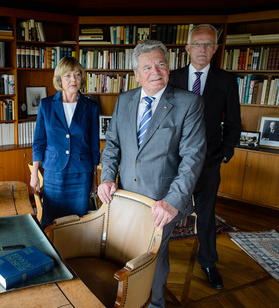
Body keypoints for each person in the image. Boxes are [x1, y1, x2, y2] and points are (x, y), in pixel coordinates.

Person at [97, 40, 206, 308]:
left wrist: (172, 201)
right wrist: (107, 177)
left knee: (152, 256)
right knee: (127, 251)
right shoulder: (124, 101)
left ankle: (156, 303)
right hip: (125, 196)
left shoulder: (189, 103)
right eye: (147, 66)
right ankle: (128, 299)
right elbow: (112, 145)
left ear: (168, 67)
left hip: (162, 202)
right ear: (136, 74)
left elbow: (192, 158)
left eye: (161, 64)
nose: (155, 71)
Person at [169, 24, 241, 290]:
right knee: (165, 210)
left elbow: (233, 122)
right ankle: (153, 257)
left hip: (209, 161)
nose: (202, 49)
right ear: (187, 48)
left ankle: (209, 262)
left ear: (215, 49)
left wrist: (224, 154)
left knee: (207, 215)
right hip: (173, 161)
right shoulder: (172, 77)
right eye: (197, 44)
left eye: (208, 44)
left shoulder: (226, 81)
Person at [31, 56, 100, 227]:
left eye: (77, 74)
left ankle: (74, 253)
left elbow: (94, 145)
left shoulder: (91, 107)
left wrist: (94, 177)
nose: (73, 80)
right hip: (54, 173)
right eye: (67, 75)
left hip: (81, 174)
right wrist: (34, 175)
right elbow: (39, 141)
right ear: (59, 79)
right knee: (50, 220)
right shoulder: (46, 105)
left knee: (77, 222)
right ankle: (51, 252)